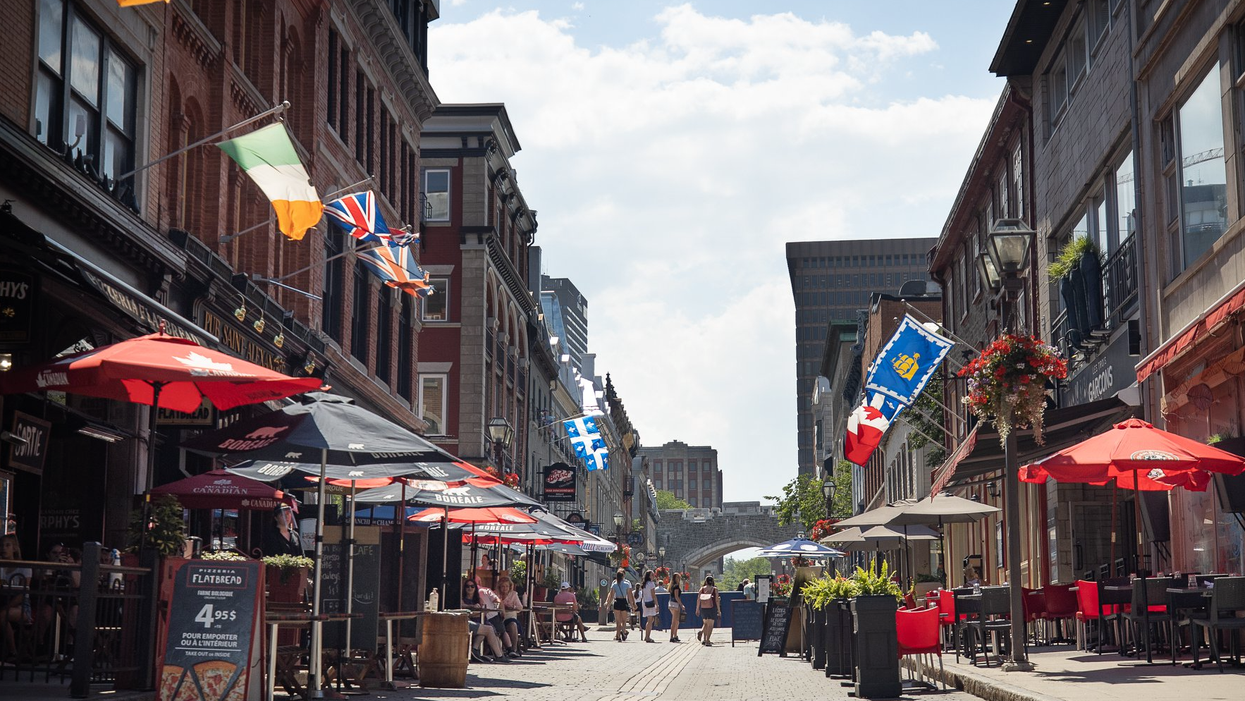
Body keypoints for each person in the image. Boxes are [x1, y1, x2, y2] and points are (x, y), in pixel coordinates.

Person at [1, 534, 33, 661]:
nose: (3, 548)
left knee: (2, 615)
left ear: (14, 548)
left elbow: (23, 593)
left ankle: (13, 652)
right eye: (1, 545)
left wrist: (6, 606)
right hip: (2, 600)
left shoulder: (24, 567)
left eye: (7, 545)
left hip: (21, 606)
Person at [461, 579, 509, 662]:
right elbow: (465, 609)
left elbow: (485, 611)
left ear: (475, 588)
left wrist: (476, 611)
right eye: (467, 586)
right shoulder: (462, 600)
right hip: (471, 621)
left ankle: (476, 650)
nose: (470, 588)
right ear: (464, 588)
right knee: (488, 629)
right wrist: (473, 608)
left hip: (482, 620)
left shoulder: (479, 599)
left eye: (472, 586)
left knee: (489, 630)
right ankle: (499, 655)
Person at [495, 576, 525, 656]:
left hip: (510, 617)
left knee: (513, 625)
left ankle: (513, 649)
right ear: (499, 587)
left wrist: (512, 607)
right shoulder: (495, 594)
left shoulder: (513, 594)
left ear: (510, 586)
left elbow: (520, 607)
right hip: (498, 617)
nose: (505, 588)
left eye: (507, 586)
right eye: (503, 586)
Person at [609, 569, 635, 642]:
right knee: (624, 620)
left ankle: (618, 636)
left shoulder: (614, 584)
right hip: (624, 601)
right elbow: (629, 595)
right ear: (623, 576)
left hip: (617, 601)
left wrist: (608, 605)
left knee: (618, 621)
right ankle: (623, 632)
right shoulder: (626, 584)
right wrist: (632, 605)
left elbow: (611, 595)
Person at [696, 575, 720, 646]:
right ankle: (707, 640)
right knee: (710, 625)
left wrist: (697, 609)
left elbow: (698, 599)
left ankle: (702, 633)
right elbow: (717, 600)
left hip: (703, 608)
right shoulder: (714, 589)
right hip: (712, 608)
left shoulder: (702, 589)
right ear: (712, 581)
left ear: (706, 581)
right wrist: (719, 610)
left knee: (706, 623)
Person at [639, 570, 658, 643]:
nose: (653, 576)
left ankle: (646, 636)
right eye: (652, 575)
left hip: (645, 602)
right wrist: (657, 604)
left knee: (649, 619)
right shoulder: (651, 584)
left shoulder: (644, 584)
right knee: (650, 620)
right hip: (650, 602)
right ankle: (647, 637)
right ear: (649, 576)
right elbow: (653, 595)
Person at [667, 572, 684, 643]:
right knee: (674, 621)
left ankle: (675, 635)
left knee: (676, 621)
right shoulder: (676, 586)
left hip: (671, 603)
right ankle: (672, 636)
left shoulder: (672, 586)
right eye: (678, 578)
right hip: (675, 604)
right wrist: (681, 604)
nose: (679, 579)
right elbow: (677, 596)